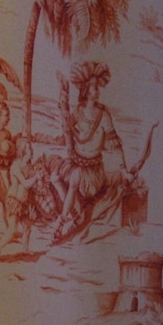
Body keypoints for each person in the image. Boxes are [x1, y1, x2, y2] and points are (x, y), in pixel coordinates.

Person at [51, 61, 132, 243]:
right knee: (66, 177)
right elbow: (67, 130)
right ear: (86, 91)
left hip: (93, 173)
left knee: (75, 179)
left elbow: (115, 145)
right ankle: (66, 221)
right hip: (76, 164)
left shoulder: (103, 114)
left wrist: (124, 169)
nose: (98, 91)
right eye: (94, 88)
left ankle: (61, 223)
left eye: (97, 87)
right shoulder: (78, 111)